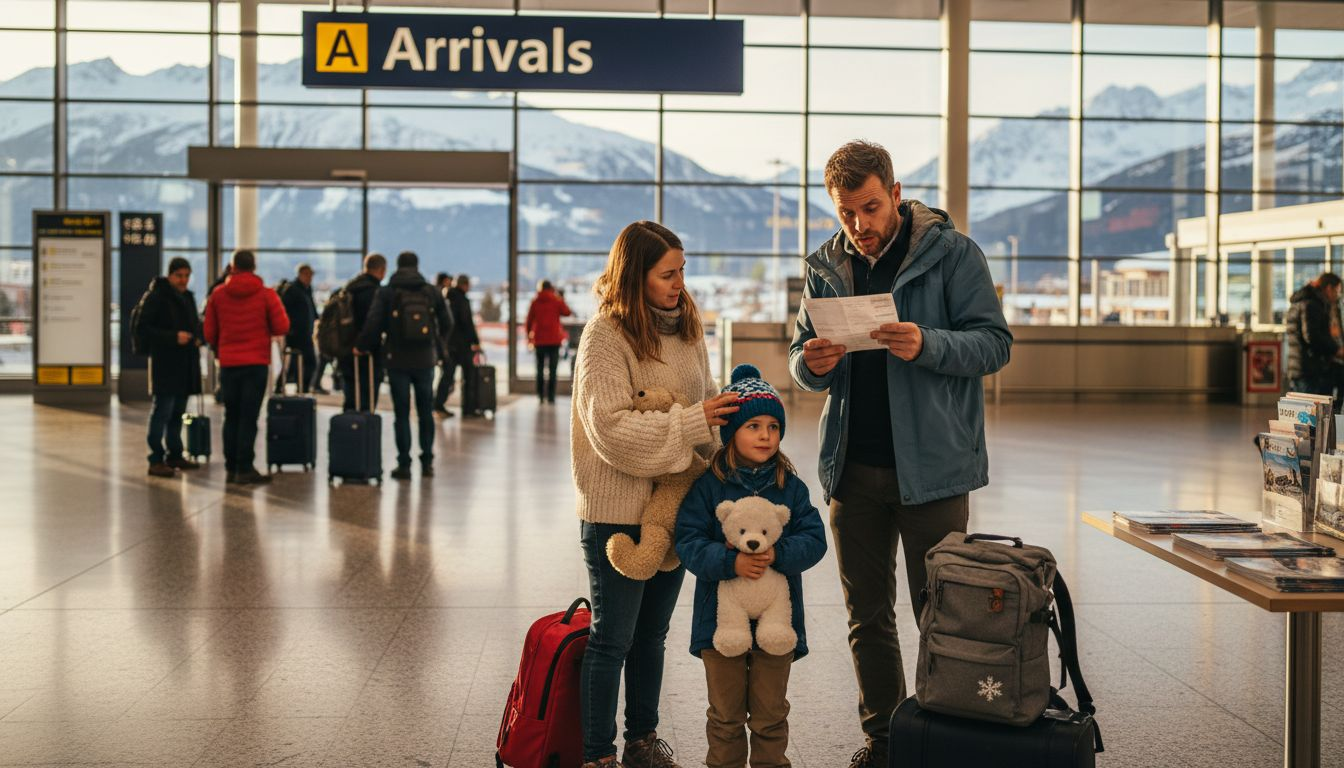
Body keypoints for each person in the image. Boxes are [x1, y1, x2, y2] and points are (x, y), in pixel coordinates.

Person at [787, 140, 1012, 767]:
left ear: (895, 192)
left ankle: (940, 737)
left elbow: (994, 345)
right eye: (845, 213)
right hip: (852, 472)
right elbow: (801, 355)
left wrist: (928, 344)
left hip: (934, 473)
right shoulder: (827, 264)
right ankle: (884, 741)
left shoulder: (954, 255)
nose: (860, 226)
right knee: (868, 617)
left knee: (941, 616)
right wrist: (810, 365)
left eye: (870, 208)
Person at [570, 220, 740, 768]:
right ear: (634, 275)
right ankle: (598, 754)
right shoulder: (605, 335)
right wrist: (694, 424)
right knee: (612, 640)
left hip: (677, 511)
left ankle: (642, 742)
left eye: (682, 270)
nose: (679, 283)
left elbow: (706, 403)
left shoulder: (688, 329)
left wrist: (730, 442)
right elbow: (611, 432)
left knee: (652, 638)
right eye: (667, 273)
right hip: (617, 514)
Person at [675, 364, 827, 768]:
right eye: (753, 425)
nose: (765, 435)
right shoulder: (709, 487)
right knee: (724, 716)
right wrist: (730, 561)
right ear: (731, 433)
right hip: (719, 624)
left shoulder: (790, 488)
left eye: (773, 426)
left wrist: (778, 554)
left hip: (777, 625)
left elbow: (815, 540)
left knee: (770, 714)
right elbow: (688, 543)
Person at [354, 251, 453, 480]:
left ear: (396, 267)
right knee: (425, 411)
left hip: (396, 359)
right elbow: (448, 322)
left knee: (401, 413)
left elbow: (374, 323)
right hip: (425, 359)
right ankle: (427, 461)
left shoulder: (387, 292)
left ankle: (404, 464)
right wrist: (437, 345)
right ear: (417, 266)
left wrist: (362, 345)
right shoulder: (431, 291)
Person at [203, 249, 290, 486]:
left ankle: (231, 468)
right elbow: (282, 325)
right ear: (254, 267)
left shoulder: (218, 295)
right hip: (256, 363)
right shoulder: (266, 294)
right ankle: (245, 467)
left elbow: (209, 332)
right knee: (249, 417)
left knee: (231, 415)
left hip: (229, 364)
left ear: (232, 267)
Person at [139, 257, 204, 478]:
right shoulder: (157, 297)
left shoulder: (187, 297)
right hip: (165, 363)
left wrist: (196, 336)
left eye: (186, 276)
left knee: (178, 413)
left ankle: (175, 453)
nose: (183, 280)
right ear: (170, 275)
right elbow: (144, 329)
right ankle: (155, 458)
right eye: (179, 275)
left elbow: (193, 324)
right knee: (162, 411)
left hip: (184, 364)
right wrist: (173, 337)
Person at [338, 253, 388, 413]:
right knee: (367, 402)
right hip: (368, 355)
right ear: (382, 270)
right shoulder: (376, 293)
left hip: (345, 352)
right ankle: (365, 436)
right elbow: (374, 324)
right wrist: (362, 345)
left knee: (350, 400)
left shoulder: (347, 289)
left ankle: (349, 433)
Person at [1286, 272, 1344, 409]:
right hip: (1309, 369)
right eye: (1337, 291)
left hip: (1306, 367)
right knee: (1310, 416)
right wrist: (1336, 350)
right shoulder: (1311, 305)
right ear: (1328, 288)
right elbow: (1312, 337)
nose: (1337, 295)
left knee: (1310, 415)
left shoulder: (1306, 302)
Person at [440, 274, 483, 418]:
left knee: (447, 376)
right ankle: (469, 408)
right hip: (462, 344)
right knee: (468, 376)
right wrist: (475, 341)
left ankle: (438, 404)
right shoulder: (462, 300)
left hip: (448, 343)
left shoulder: (446, 298)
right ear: (465, 285)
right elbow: (467, 323)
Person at [525, 279, 573, 405]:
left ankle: (540, 395)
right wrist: (560, 297)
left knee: (540, 369)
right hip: (553, 340)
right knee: (553, 370)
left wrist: (529, 337)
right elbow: (567, 312)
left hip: (539, 340)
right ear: (551, 288)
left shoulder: (535, 301)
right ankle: (551, 396)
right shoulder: (556, 300)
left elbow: (529, 321)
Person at [276, 263, 318, 394]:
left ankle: (295, 387)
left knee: (295, 364)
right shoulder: (293, 290)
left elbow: (311, 309)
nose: (310, 277)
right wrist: (290, 329)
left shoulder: (306, 290)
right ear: (301, 274)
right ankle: (301, 388)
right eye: (308, 274)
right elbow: (284, 310)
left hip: (304, 333)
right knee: (307, 362)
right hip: (296, 335)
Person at [432, 272, 456, 417]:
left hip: (435, 342)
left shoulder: (434, 294)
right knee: (448, 370)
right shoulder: (439, 296)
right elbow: (447, 322)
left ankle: (435, 403)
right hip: (439, 342)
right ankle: (437, 404)